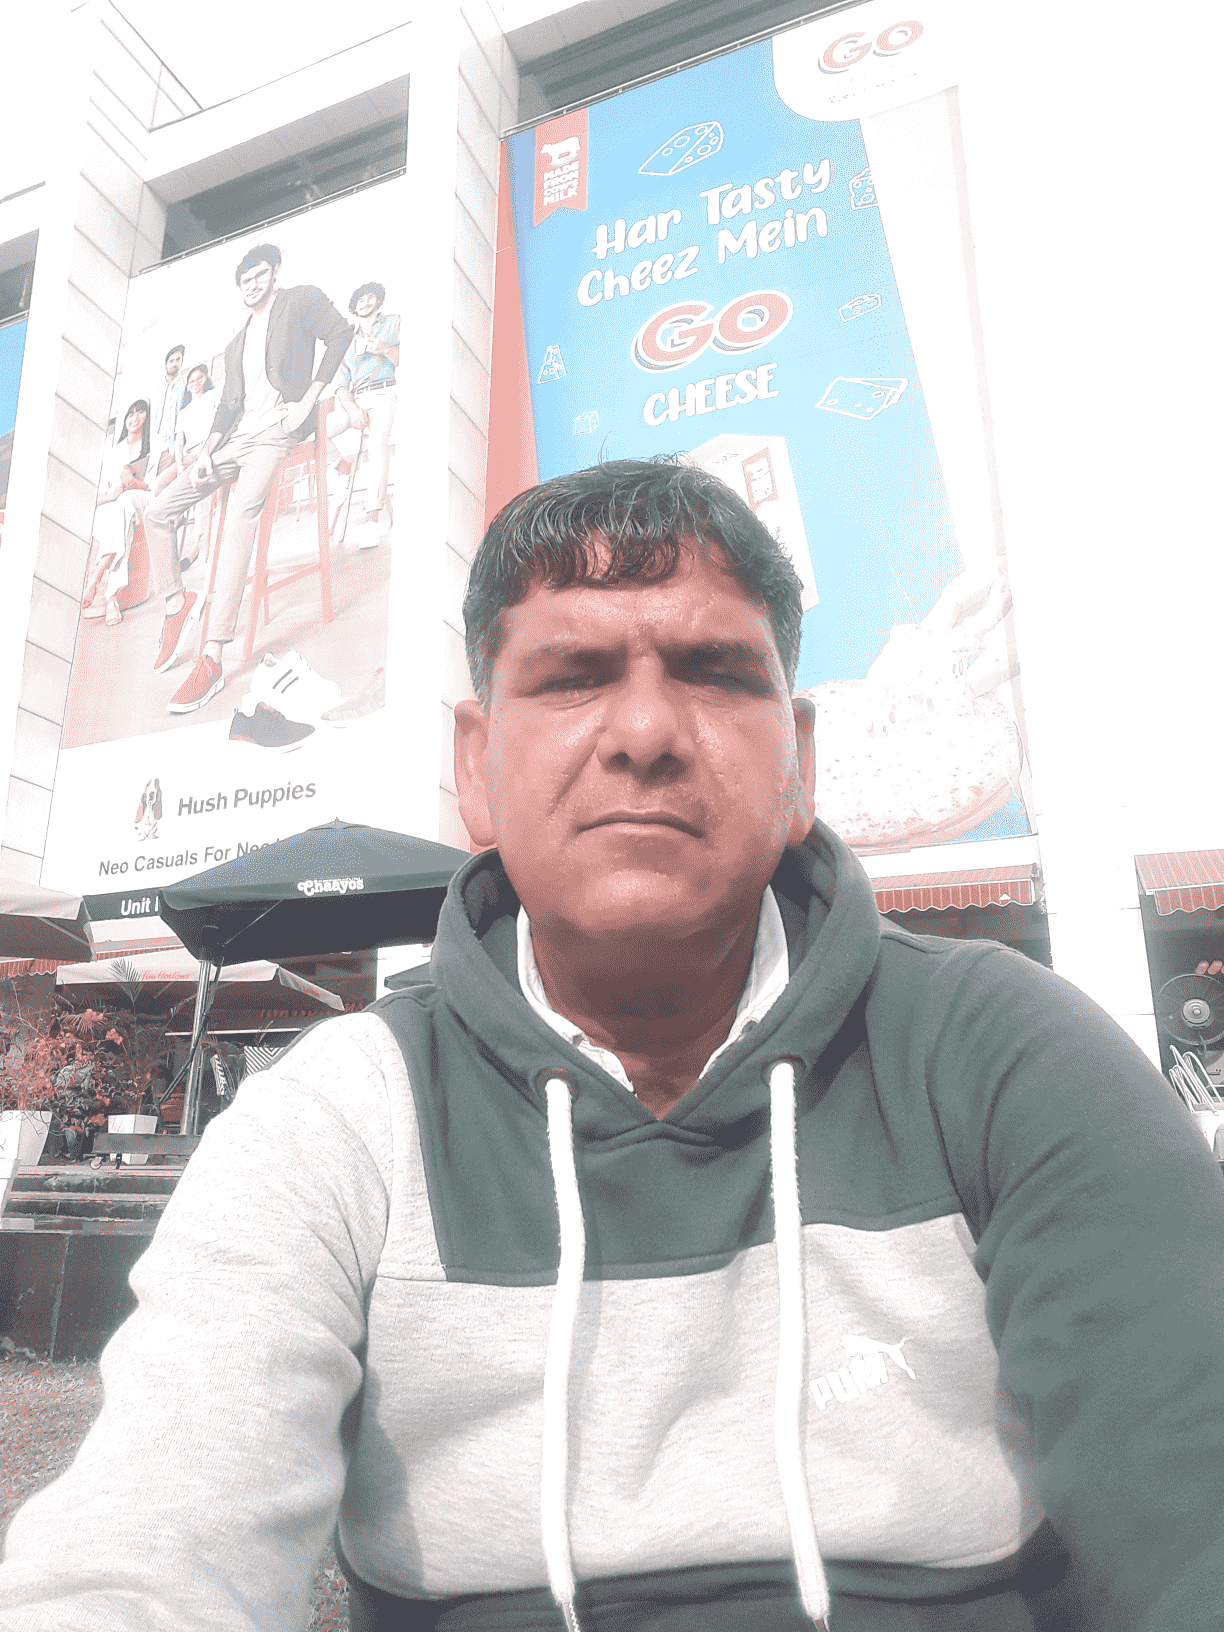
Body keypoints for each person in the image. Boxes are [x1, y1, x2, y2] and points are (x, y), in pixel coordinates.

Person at [3, 459, 1223, 1631]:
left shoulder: (1003, 1054)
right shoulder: (340, 1121)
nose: (645, 729)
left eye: (714, 671)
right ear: (477, 768)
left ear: (801, 763)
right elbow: (146, 1550)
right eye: (574, 675)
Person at [140, 243, 352, 715]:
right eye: (245, 279)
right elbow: (228, 406)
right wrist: (206, 453)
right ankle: (176, 604)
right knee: (157, 511)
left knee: (239, 518)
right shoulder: (235, 344)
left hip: (276, 433)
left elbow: (341, 334)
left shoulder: (299, 300)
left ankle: (212, 656)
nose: (252, 284)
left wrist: (310, 398)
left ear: (275, 272)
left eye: (259, 274)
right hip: (234, 441)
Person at [327, 279, 399, 549]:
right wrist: (353, 408)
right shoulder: (347, 339)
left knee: (378, 444)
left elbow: (411, 358)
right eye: (360, 300)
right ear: (354, 307)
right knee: (321, 428)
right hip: (356, 399)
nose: (365, 302)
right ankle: (343, 467)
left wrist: (383, 348)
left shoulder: (395, 323)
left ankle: (372, 521)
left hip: (384, 393)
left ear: (378, 300)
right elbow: (340, 384)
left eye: (370, 297)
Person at [80, 398, 152, 627]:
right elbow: (96, 496)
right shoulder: (114, 452)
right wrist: (112, 495)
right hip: (116, 505)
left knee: (125, 503)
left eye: (140, 412)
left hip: (143, 499)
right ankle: (111, 598)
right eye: (131, 414)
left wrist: (136, 484)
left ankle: (96, 576)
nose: (135, 418)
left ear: (147, 416)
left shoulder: (153, 445)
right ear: (124, 420)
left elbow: (156, 485)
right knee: (119, 513)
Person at [171, 362, 217, 569]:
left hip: (206, 451)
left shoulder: (212, 396)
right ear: (187, 386)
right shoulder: (183, 412)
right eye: (191, 381)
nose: (196, 383)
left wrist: (206, 451)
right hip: (188, 455)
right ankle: (175, 519)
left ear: (205, 379)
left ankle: (196, 547)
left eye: (199, 378)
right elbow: (178, 442)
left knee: (200, 486)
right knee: (160, 484)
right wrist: (179, 463)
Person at [150, 343, 186, 491]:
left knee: (167, 483)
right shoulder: (157, 386)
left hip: (173, 442)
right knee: (151, 480)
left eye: (178, 360)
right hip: (156, 441)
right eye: (171, 361)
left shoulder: (184, 384)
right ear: (166, 364)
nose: (174, 364)